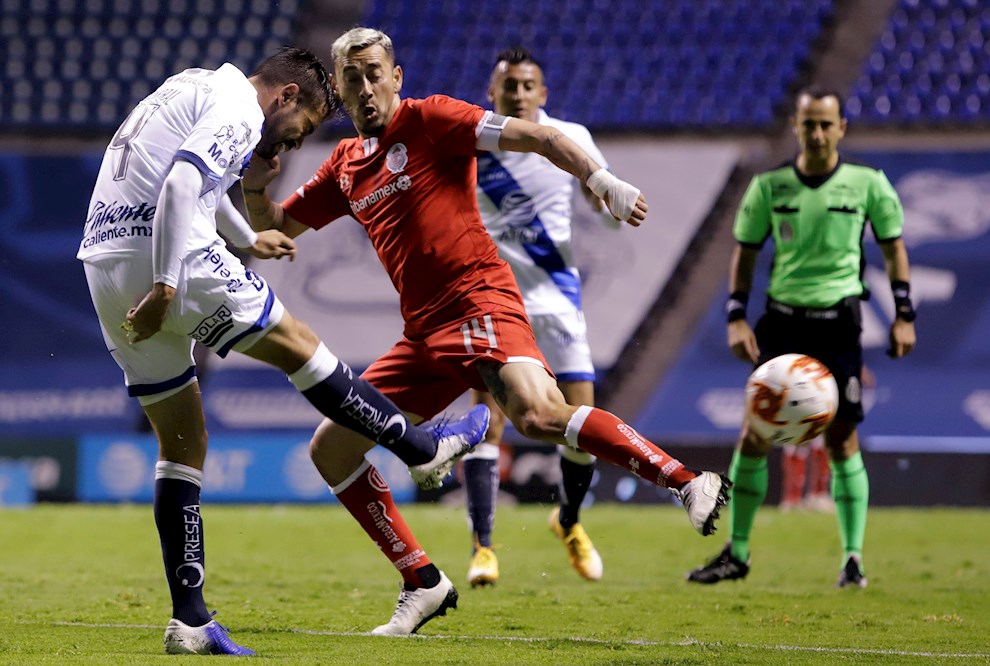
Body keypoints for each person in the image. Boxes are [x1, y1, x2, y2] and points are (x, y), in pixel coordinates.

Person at [242, 27, 731, 635]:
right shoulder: (344, 164)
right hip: (422, 334)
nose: (365, 88)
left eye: (374, 73)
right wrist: (257, 179)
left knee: (538, 415)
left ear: (397, 78)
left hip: (479, 299)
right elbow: (277, 227)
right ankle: (421, 580)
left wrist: (600, 180)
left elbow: (543, 136)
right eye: (352, 79)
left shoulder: (433, 120)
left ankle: (686, 481)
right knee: (331, 448)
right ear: (339, 92)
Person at [78, 47, 488, 655]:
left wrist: (247, 236)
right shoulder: (242, 109)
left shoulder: (191, 85)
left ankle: (189, 619)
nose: (293, 146)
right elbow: (185, 182)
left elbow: (198, 178)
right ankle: (421, 448)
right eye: (303, 131)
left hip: (103, 265)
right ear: (286, 97)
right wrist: (166, 286)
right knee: (298, 344)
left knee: (183, 439)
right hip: (166, 256)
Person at [686, 86, 916, 589]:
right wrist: (735, 317)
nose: (816, 133)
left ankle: (853, 559)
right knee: (755, 433)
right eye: (808, 124)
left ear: (841, 128)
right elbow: (744, 255)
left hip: (839, 324)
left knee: (842, 438)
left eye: (825, 124)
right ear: (796, 126)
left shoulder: (868, 184)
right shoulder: (768, 187)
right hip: (782, 324)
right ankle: (738, 553)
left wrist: (903, 314)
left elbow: (894, 249)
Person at [462, 47, 620, 587]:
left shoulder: (571, 136)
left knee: (582, 425)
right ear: (494, 92)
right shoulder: (475, 143)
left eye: (529, 85)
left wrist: (611, 203)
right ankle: (483, 549)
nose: (520, 94)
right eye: (510, 86)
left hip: (559, 300)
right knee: (489, 419)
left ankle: (569, 521)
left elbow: (600, 193)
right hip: (497, 300)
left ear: (543, 93)